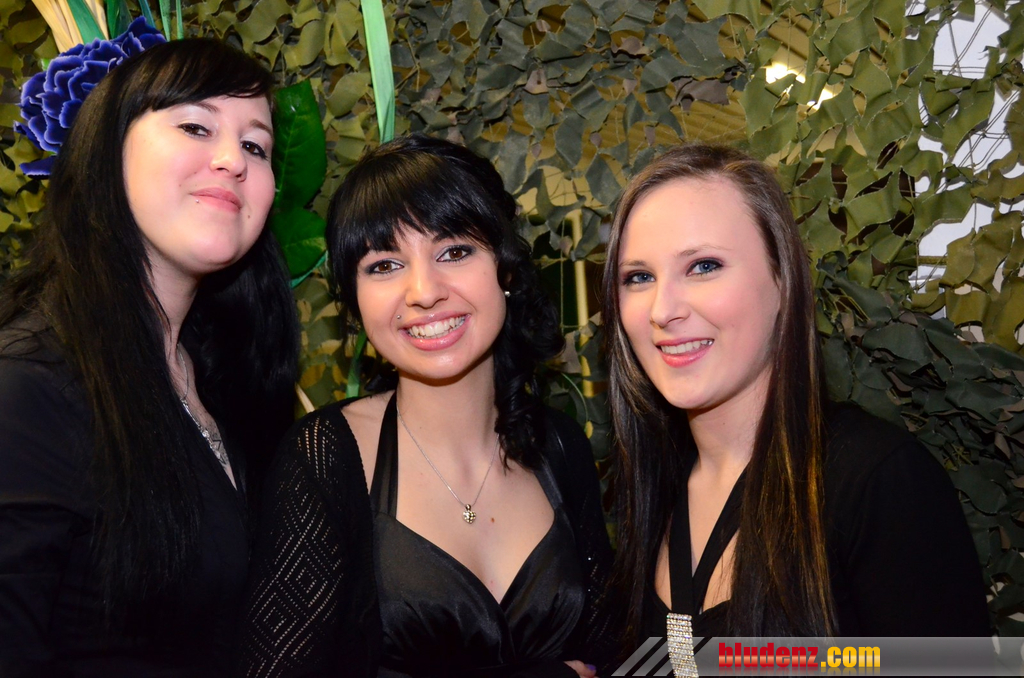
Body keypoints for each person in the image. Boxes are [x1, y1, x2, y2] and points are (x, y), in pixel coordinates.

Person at [240, 133, 615, 677]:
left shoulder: (559, 444)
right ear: (355, 302)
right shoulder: (325, 458)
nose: (423, 291)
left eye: (454, 252)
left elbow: (612, 653)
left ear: (505, 269)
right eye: (384, 265)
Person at [602, 143, 990, 644]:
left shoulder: (876, 483)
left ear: (783, 279)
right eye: (639, 277)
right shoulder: (655, 481)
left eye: (703, 266)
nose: (662, 310)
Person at [0, 39, 299, 676]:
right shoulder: (29, 387)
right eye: (195, 127)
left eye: (256, 146)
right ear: (106, 152)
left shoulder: (223, 379)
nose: (233, 160)